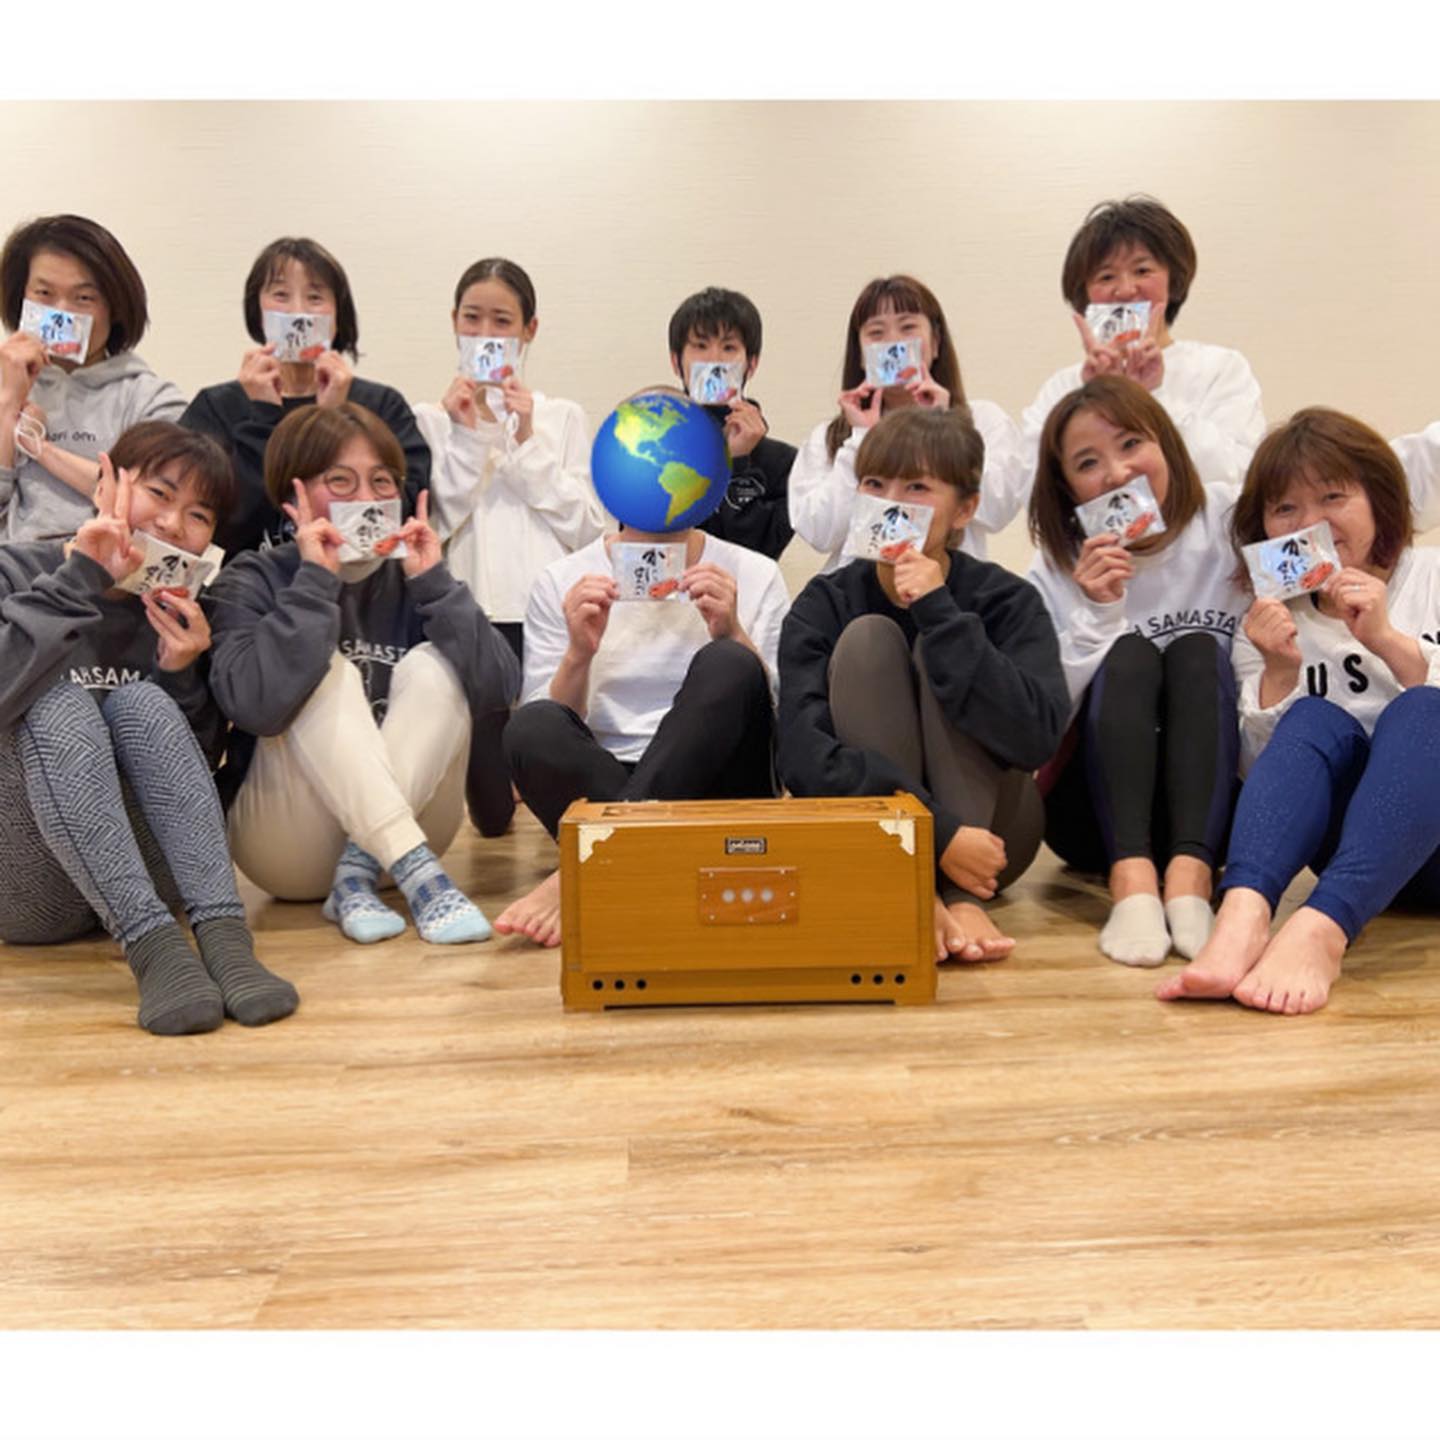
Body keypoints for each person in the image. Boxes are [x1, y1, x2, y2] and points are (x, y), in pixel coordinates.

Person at [0, 422, 297, 1035]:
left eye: (198, 515)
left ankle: (225, 942)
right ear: (104, 484)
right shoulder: (17, 570)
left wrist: (181, 675)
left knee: (143, 703)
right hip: (27, 887)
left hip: (155, 883)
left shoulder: (184, 608)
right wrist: (80, 578)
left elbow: (195, 772)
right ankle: (152, 950)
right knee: (58, 704)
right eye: (158, 493)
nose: (171, 525)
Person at [204, 403, 518, 946]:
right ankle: (405, 871)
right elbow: (254, 707)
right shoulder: (251, 577)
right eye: (340, 482)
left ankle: (360, 873)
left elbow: (499, 690)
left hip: (410, 829)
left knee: (435, 663)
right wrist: (314, 582)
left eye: (381, 482)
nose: (366, 499)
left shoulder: (417, 578)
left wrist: (436, 584)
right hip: (289, 848)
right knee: (325, 671)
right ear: (293, 496)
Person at [1159, 409, 1440, 1015]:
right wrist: (1279, 674)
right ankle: (1243, 918)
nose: (1310, 522)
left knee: (1424, 710)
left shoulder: (1432, 575)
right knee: (1310, 718)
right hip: (1349, 854)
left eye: (1333, 497)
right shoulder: (1266, 620)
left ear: (1379, 500)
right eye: (1285, 508)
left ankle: (1321, 932)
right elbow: (1265, 781)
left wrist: (1387, 639)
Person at [779, 408, 1068, 962]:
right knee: (868, 640)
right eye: (874, 484)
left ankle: (960, 895)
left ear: (966, 509)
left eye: (916, 487)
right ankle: (913, 882)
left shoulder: (1007, 599)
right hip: (876, 834)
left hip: (993, 838)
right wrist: (936, 831)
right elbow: (799, 753)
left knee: (944, 644)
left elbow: (1036, 738)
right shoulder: (825, 602)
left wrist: (941, 614)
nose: (891, 503)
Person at [497, 458, 792, 948]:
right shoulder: (564, 579)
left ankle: (589, 868)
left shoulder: (753, 572)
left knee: (728, 662)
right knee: (530, 726)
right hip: (605, 776)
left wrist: (732, 630)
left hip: (722, 775)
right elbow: (553, 717)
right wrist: (579, 653)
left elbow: (775, 706)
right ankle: (635, 857)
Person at [1026, 376, 1249, 968]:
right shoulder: (1054, 568)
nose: (1118, 473)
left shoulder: (1231, 522)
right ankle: (1132, 884)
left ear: (1166, 445)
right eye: (1088, 463)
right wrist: (1096, 614)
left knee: (1198, 650)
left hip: (1216, 805)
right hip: (1093, 816)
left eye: (1131, 444)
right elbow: (1038, 729)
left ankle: (1191, 880)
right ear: (1067, 489)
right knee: (1127, 652)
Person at [416, 257, 604, 837]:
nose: (486, 334)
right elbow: (434, 525)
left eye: (502, 321)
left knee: (558, 794)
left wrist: (525, 440)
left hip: (548, 612)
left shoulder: (561, 417)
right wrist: (466, 436)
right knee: (492, 818)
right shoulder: (430, 419)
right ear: (454, 322)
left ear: (529, 330)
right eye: (473, 319)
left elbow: (588, 527)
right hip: (472, 614)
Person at [181, 237, 431, 557]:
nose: (298, 312)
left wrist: (335, 421)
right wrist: (262, 417)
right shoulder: (218, 406)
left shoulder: (382, 405)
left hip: (360, 578)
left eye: (315, 298)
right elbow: (221, 524)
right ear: (257, 310)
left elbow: (406, 511)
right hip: (254, 580)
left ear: (338, 315)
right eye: (280, 295)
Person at [1021, 196, 1265, 490]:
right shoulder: (1061, 388)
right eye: (1106, 276)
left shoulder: (1220, 368)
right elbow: (1034, 491)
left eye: (1142, 271)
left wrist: (1151, 396)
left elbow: (1238, 474)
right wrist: (1098, 395)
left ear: (1173, 280)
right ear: (1085, 295)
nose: (1125, 290)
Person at [787, 274, 1026, 568]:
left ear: (935, 343)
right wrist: (861, 438)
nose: (893, 343)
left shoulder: (984, 421)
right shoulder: (831, 437)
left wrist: (942, 427)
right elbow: (818, 533)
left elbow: (998, 510)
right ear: (860, 354)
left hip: (949, 588)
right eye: (876, 333)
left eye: (908, 328)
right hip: (856, 590)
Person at [0, 214, 186, 543]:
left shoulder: (151, 399)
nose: (62, 312)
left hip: (106, 563)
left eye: (84, 298)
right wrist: (8, 404)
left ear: (114, 307)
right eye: (44, 293)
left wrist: (40, 449)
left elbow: (162, 511)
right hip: (13, 564)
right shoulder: (5, 383)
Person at [668, 286, 796, 561]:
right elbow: (642, 543)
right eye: (700, 346)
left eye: (729, 348)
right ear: (676, 362)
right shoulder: (649, 447)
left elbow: (757, 557)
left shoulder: (783, 463)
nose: (714, 360)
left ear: (752, 364)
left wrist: (737, 465)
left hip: (745, 589)